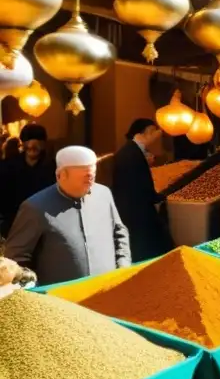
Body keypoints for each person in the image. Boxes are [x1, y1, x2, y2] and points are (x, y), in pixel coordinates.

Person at [5, 145, 131, 286]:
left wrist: (123, 266)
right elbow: (15, 261)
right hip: (59, 302)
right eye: (86, 177)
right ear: (61, 175)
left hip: (107, 293)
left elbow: (119, 233)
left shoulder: (104, 194)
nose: (91, 182)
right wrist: (37, 291)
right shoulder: (35, 208)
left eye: (93, 176)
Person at [112, 118, 174, 262]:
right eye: (153, 133)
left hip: (133, 209)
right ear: (147, 132)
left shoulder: (132, 151)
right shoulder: (131, 154)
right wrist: (156, 197)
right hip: (135, 212)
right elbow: (138, 184)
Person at [0, 124, 56, 238]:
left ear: (44, 144)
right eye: (28, 140)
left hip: (45, 226)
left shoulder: (53, 167)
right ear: (23, 143)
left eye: (37, 141)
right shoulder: (9, 166)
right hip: (15, 225)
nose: (32, 145)